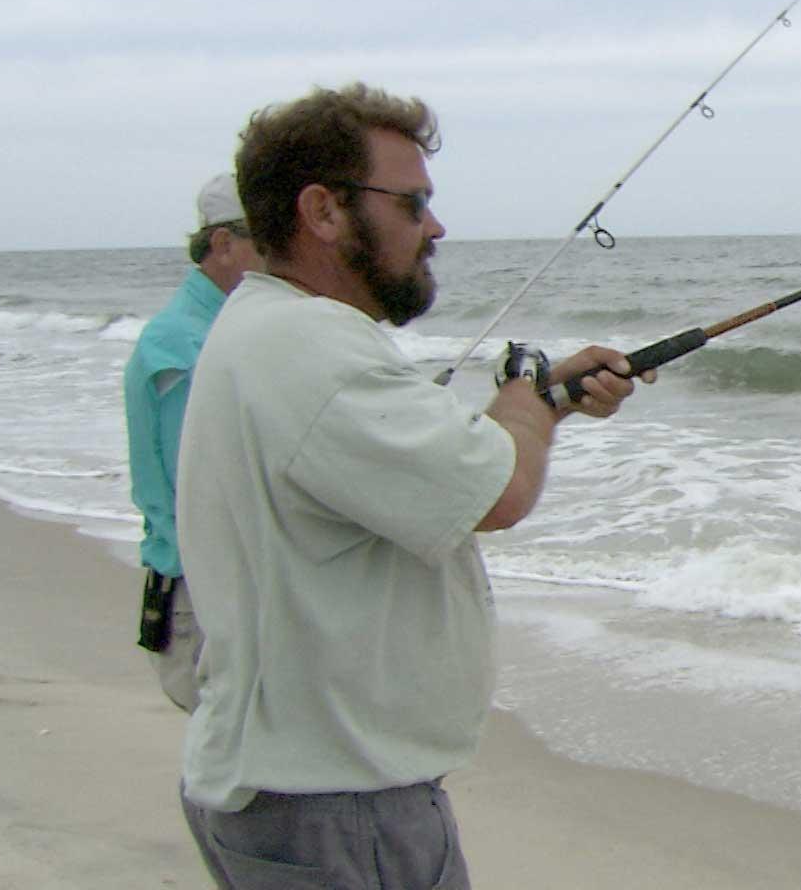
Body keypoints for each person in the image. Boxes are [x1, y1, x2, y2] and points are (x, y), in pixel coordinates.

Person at [173, 84, 648, 888]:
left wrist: (541, 405)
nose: (435, 227)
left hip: (300, 789)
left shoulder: (268, 330)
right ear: (323, 211)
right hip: (335, 805)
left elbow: (452, 463)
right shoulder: (309, 349)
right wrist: (529, 394)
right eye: (413, 203)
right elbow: (496, 490)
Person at [123, 172, 262, 712]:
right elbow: (205, 477)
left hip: (222, 584)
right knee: (234, 766)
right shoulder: (181, 339)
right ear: (222, 243)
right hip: (198, 589)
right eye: (264, 237)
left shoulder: (225, 328)